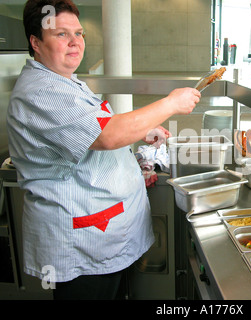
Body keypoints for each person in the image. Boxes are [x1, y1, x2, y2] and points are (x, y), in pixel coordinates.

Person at [6, 0, 200, 299]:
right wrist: (171, 104)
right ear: (36, 42)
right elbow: (107, 135)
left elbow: (93, 131)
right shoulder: (41, 91)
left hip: (104, 232)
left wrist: (139, 135)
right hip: (82, 239)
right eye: (61, 34)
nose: (75, 42)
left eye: (79, 33)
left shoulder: (66, 82)